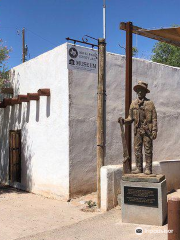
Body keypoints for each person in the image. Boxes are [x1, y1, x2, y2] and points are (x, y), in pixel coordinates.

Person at [118, 81, 157, 175]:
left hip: (147, 130)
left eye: (141, 90)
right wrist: (124, 121)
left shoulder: (150, 103)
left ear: (145, 92)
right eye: (138, 90)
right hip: (137, 131)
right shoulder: (133, 104)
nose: (139, 92)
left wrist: (154, 130)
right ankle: (139, 168)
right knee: (137, 149)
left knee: (148, 149)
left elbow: (154, 118)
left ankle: (148, 168)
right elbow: (130, 118)